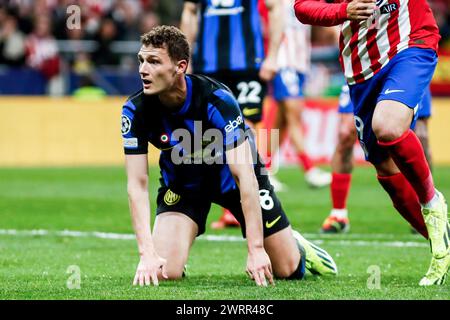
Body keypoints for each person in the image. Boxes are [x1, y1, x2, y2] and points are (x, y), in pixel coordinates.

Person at [122, 25, 337, 286]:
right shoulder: (135, 110)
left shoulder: (217, 99)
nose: (143, 69)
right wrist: (147, 254)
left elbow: (244, 176)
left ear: (180, 67)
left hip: (232, 181)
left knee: (287, 269)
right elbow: (137, 184)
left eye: (154, 62)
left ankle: (299, 248)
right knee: (161, 272)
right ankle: (176, 253)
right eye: (141, 60)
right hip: (183, 186)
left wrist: (256, 249)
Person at [294, 0, 449, 286]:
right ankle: (442, 244)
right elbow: (302, 7)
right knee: (386, 170)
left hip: (410, 45)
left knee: (388, 127)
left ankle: (432, 202)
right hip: (361, 69)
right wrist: (343, 11)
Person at [180, 0, 283, 228]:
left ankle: (255, 202)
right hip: (209, 66)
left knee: (243, 131)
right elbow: (189, 11)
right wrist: (185, 58)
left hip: (247, 64)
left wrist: (274, 55)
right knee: (207, 136)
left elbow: (276, 8)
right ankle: (222, 206)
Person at [320, 86, 434, 234]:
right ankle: (338, 214)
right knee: (346, 133)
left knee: (420, 136)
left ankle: (426, 206)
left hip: (400, 68)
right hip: (362, 72)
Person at [262, 0, 332, 190]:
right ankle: (309, 169)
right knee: (294, 114)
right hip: (283, 60)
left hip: (300, 61)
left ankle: (264, 170)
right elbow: (263, 24)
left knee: (281, 120)